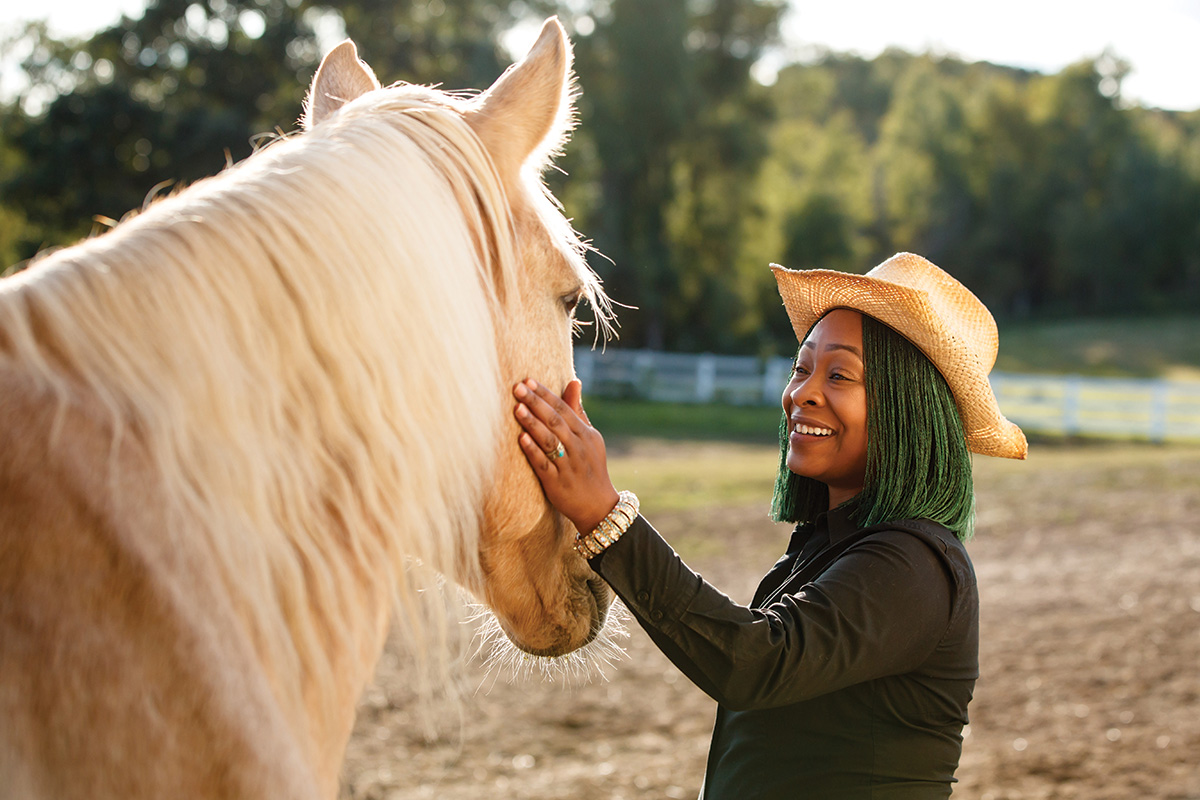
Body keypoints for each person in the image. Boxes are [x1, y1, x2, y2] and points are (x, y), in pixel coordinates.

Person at [512, 252, 1027, 799]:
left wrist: (607, 516)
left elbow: (755, 663)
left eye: (839, 374)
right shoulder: (825, 550)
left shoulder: (916, 566)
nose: (801, 392)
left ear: (908, 407)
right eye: (801, 367)